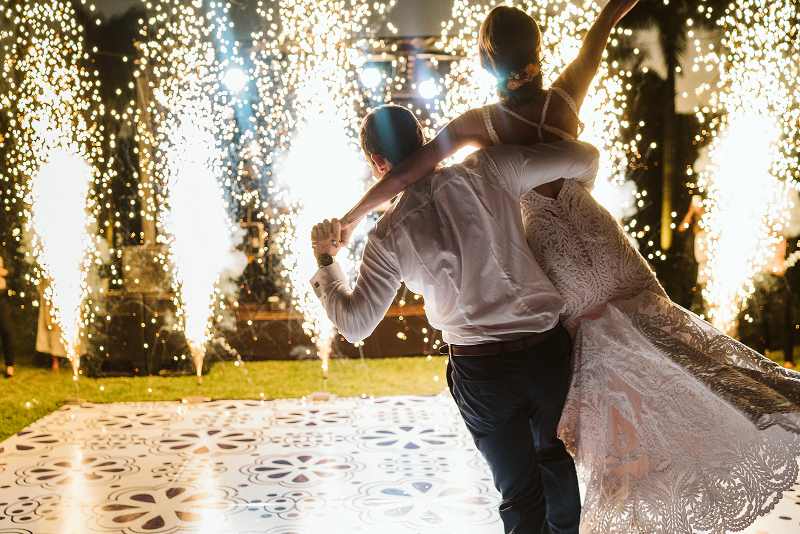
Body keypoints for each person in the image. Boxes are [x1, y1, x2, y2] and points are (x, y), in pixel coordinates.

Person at [331, 4, 800, 533]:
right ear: (537, 53)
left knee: (598, 368)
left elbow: (410, 174)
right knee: (664, 337)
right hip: (599, 234)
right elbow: (600, 32)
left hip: (553, 253)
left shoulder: (479, 127)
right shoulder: (565, 94)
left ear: (486, 66)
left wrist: (350, 218)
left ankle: (631, 473)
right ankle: (760, 405)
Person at [311, 104, 601, 534]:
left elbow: (355, 326)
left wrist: (325, 260)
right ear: (423, 137)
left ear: (376, 163)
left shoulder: (389, 233)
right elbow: (586, 157)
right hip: (547, 352)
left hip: (483, 372)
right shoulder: (491, 169)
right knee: (556, 462)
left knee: (520, 492)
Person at [0, 251, 16, 378]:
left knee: (7, 330)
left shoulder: (3, 255)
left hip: (2, 298)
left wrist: (5, 272)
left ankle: (9, 365)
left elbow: (12, 270)